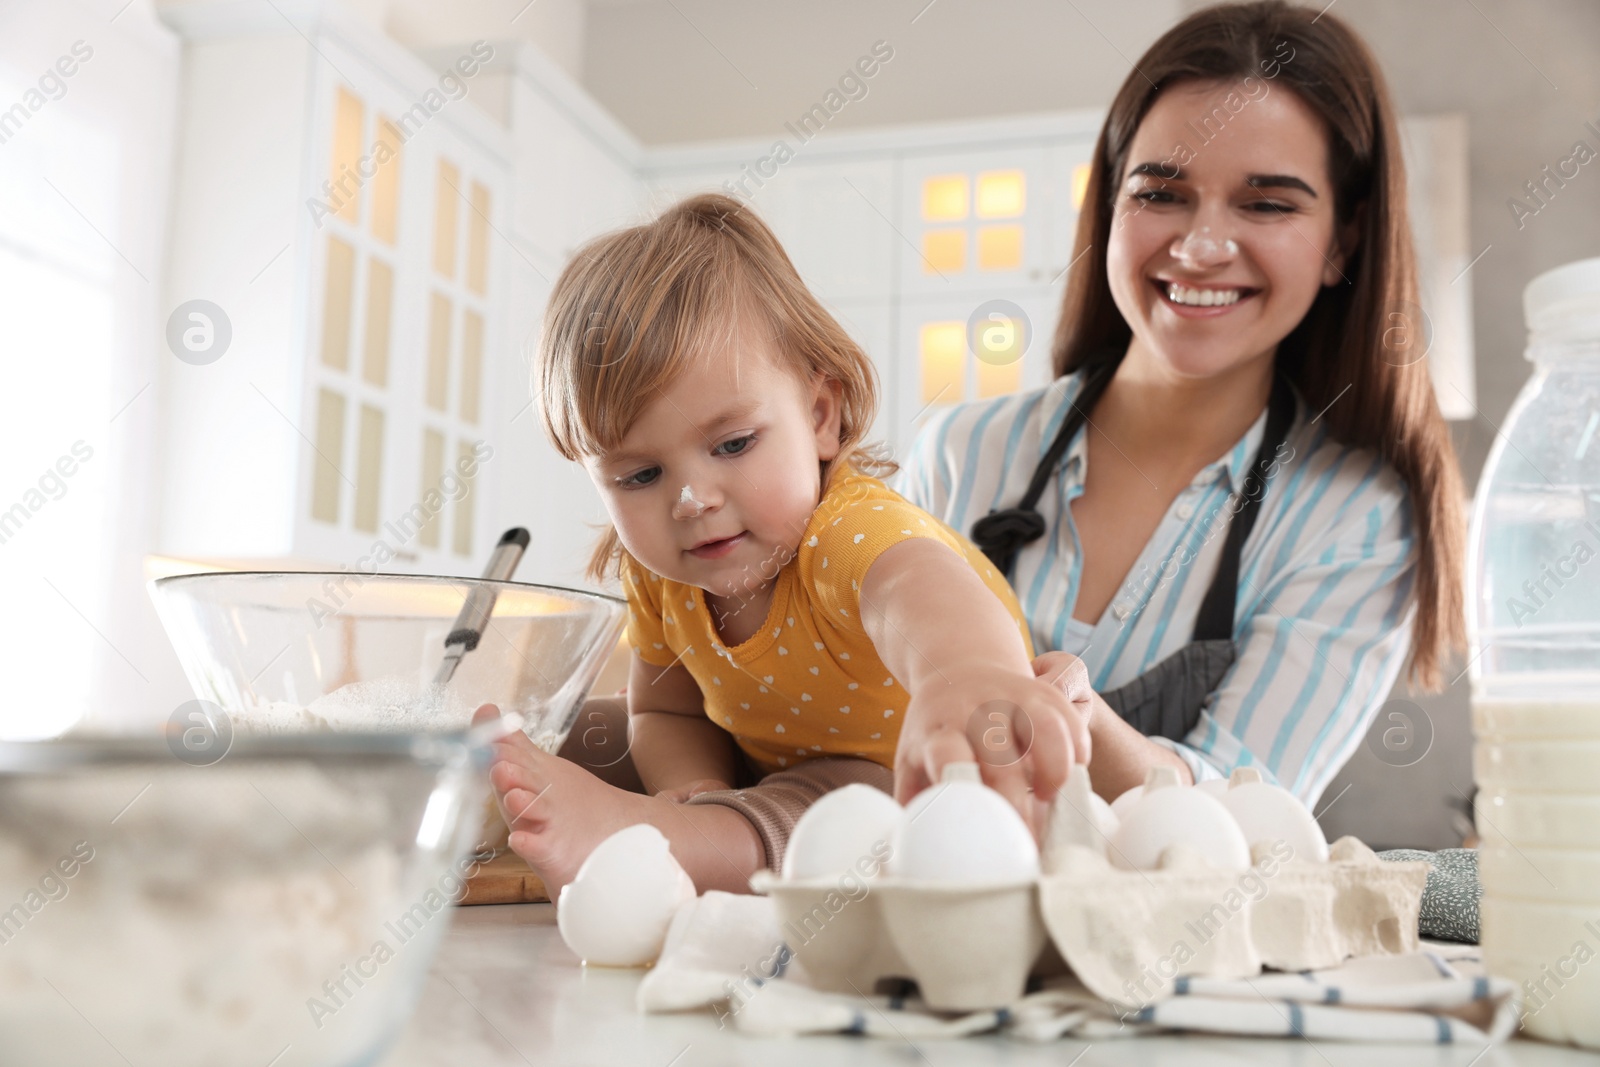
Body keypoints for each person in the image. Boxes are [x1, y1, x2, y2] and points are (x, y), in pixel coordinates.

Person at [900, 0, 1465, 810]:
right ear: (1110, 206)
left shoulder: (1357, 517)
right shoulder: (961, 454)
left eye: (1267, 204)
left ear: (1343, 239)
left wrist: (1071, 721)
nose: (1200, 246)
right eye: (1161, 193)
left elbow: (1245, 813)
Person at [477, 194, 1087, 896]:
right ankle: (460, 787)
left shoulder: (848, 532)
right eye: (639, 474)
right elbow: (664, 710)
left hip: (897, 774)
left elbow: (916, 587)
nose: (690, 499)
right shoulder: (663, 573)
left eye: (733, 444)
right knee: (564, 729)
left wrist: (962, 674)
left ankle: (649, 842)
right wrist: (694, 787)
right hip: (758, 753)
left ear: (820, 416)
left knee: (823, 810)